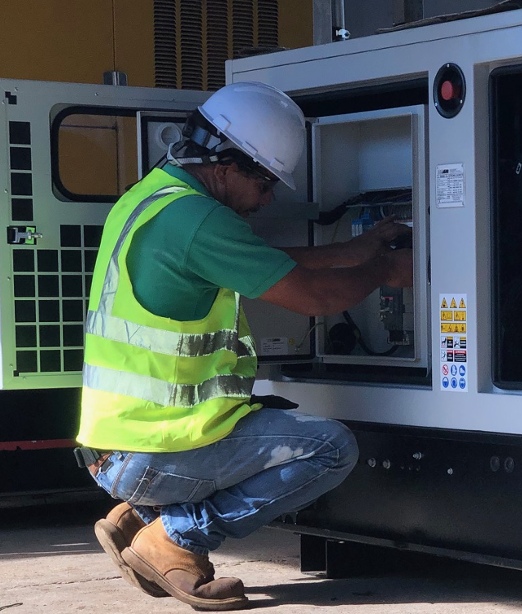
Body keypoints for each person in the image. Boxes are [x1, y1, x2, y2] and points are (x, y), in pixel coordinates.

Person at [74, 81, 413, 611]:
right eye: (266, 181)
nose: (269, 197)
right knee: (330, 447)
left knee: (266, 423)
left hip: (114, 445)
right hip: (152, 451)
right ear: (226, 164)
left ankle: (139, 519)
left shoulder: (156, 199)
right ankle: (177, 535)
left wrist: (355, 250)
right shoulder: (198, 221)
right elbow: (317, 298)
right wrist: (386, 268)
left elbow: (268, 263)